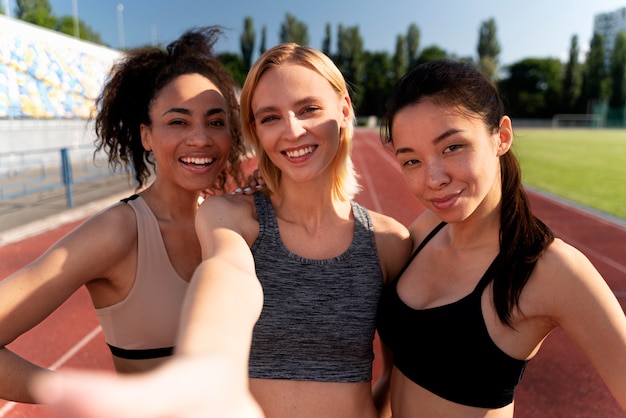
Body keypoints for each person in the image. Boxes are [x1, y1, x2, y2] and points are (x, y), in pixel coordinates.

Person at [31, 43, 412, 418]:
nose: (292, 130)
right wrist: (209, 367)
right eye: (270, 117)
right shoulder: (230, 216)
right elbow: (228, 273)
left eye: (309, 108)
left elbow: (401, 374)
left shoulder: (389, 242)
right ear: (255, 131)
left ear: (344, 110)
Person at [0, 26, 247, 404]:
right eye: (178, 122)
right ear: (146, 135)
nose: (200, 138)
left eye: (215, 122)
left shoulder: (239, 221)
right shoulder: (119, 232)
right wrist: (77, 394)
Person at [375, 59, 626, 417]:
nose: (433, 178)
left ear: (501, 137)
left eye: (452, 147)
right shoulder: (423, 230)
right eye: (411, 161)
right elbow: (391, 377)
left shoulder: (549, 268)